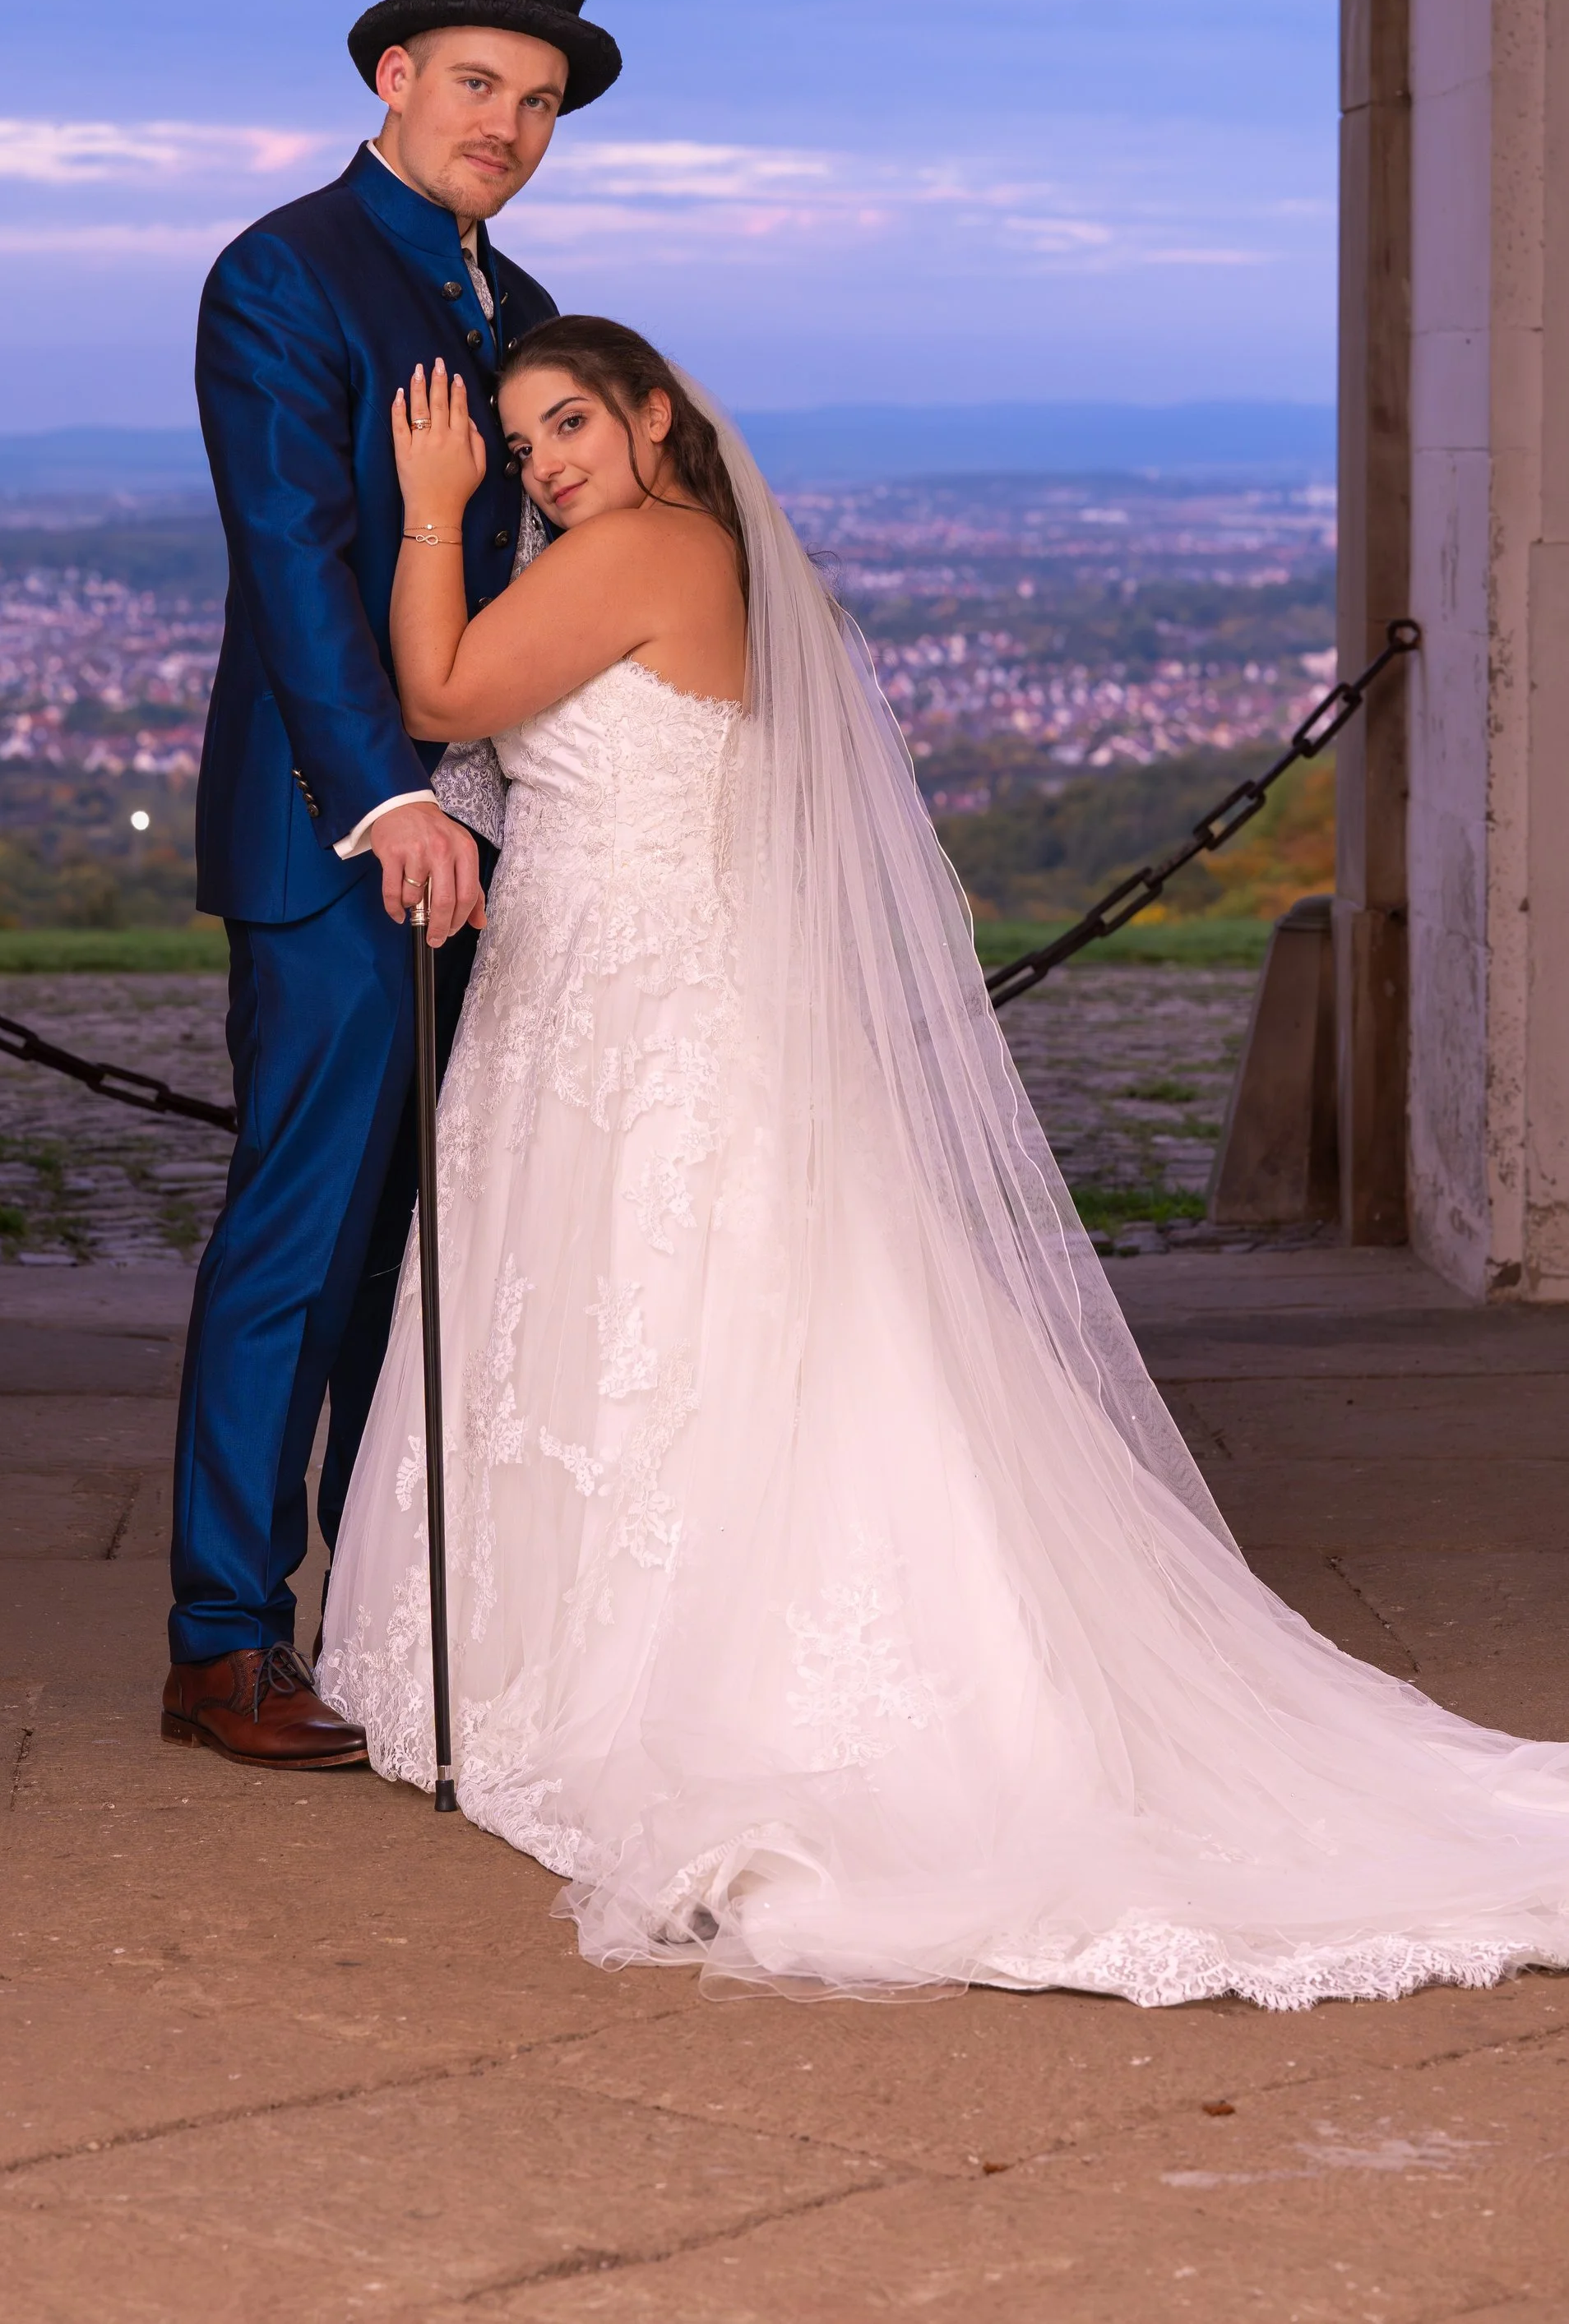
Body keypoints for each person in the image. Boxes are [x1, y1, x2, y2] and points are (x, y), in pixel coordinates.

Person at [322, 313, 1569, 2008]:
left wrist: (420, 504)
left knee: (682, 1336)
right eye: (518, 441)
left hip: (645, 1024)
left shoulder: (646, 548)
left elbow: (439, 691)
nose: (538, 463)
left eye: (564, 427)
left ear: (652, 417)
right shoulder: (671, 550)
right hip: (593, 1006)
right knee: (650, 1334)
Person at [163, 0, 620, 1770]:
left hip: (505, 833)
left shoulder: (514, 304)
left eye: (536, 102)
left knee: (423, 1260)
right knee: (300, 1236)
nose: (504, 126)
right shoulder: (281, 275)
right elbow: (294, 564)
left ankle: (378, 1626)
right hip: (335, 832)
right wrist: (390, 802)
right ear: (392, 79)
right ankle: (218, 1640)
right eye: (475, 86)